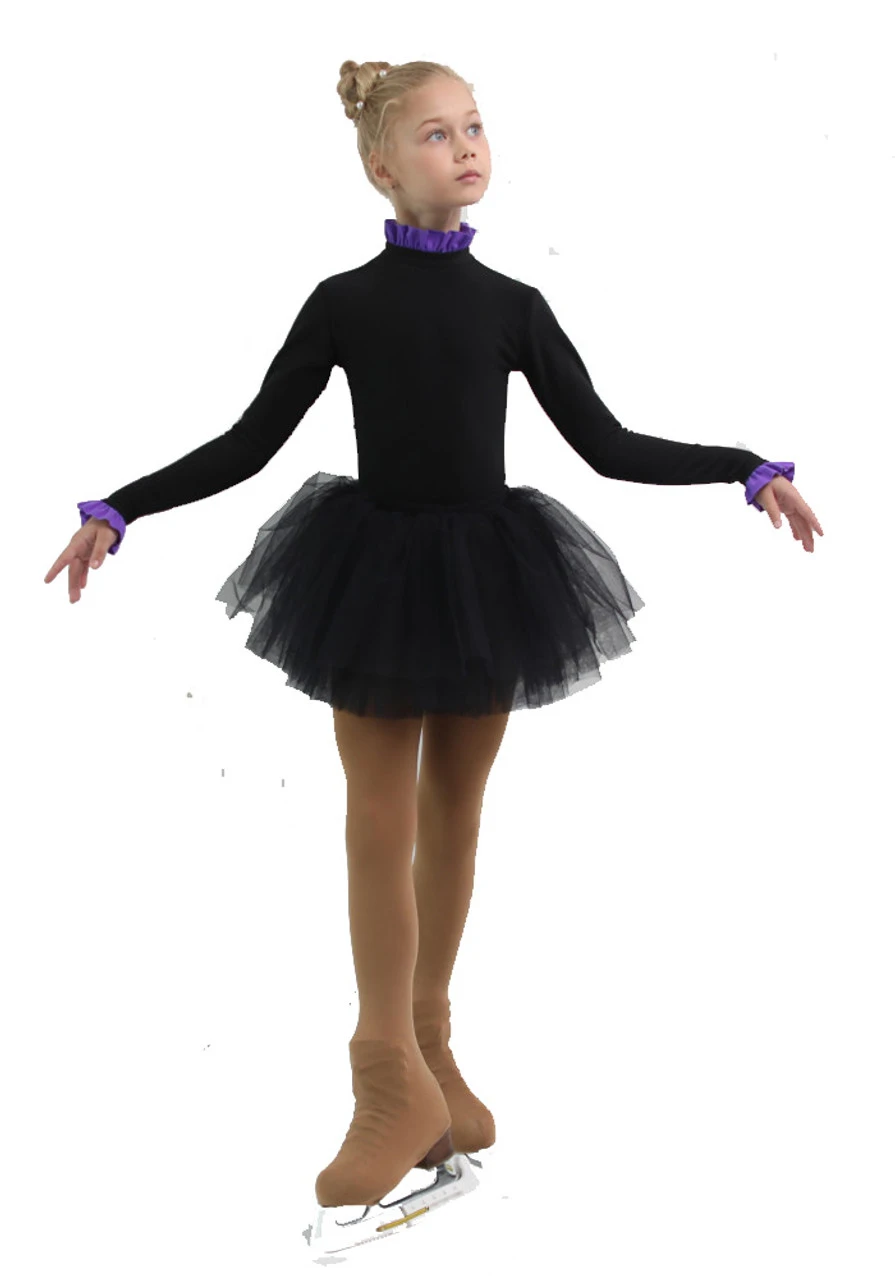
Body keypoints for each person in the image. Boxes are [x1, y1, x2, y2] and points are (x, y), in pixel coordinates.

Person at [43, 59, 824, 1224]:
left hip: (486, 574)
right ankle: (384, 1080)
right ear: (379, 165)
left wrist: (742, 468)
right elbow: (251, 440)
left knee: (455, 811)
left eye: (474, 128)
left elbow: (606, 443)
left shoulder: (513, 305)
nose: (464, 148)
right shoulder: (343, 304)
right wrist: (123, 505)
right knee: (378, 816)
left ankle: (430, 1053)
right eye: (434, 134)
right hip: (371, 572)